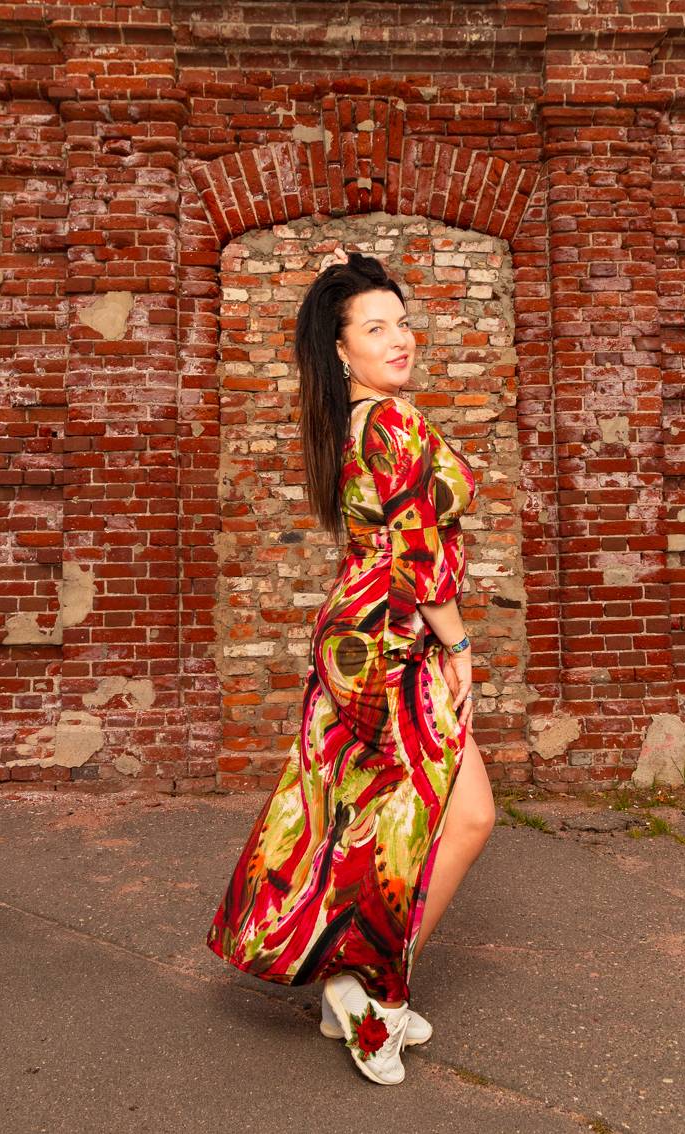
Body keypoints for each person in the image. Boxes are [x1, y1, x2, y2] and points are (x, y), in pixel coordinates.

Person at [205, 246, 496, 1085]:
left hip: (359, 636)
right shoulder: (390, 422)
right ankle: (371, 996)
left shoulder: (354, 419)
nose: (399, 338)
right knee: (452, 818)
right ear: (340, 350)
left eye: (402, 322)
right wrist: (458, 645)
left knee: (384, 817)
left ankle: (360, 985)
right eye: (375, 328)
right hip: (393, 638)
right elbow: (417, 549)